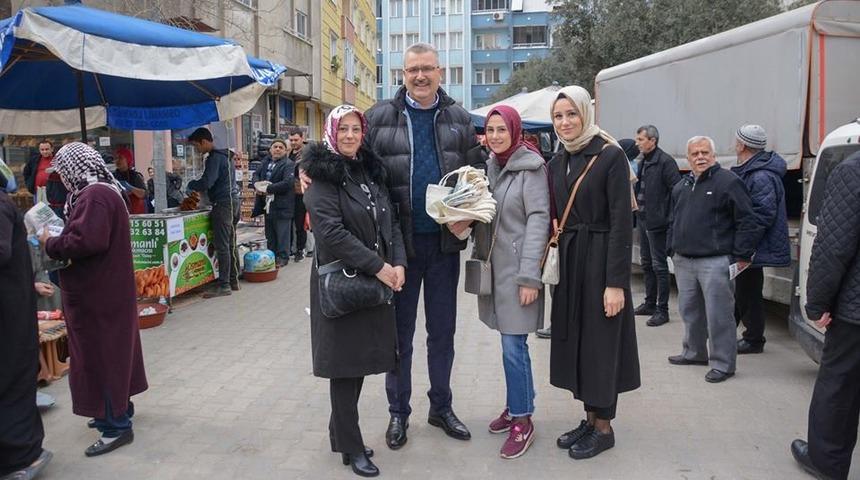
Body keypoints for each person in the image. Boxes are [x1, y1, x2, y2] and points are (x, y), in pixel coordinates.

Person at [363, 42, 486, 448]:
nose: (420, 76)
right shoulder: (378, 118)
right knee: (399, 336)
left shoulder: (458, 119)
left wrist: (467, 214)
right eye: (412, 69)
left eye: (427, 69)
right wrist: (309, 171)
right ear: (402, 74)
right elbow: (347, 161)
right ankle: (399, 413)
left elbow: (476, 175)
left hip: (444, 246)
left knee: (443, 332)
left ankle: (441, 407)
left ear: (440, 72)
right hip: (397, 249)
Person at [303, 105, 406, 478]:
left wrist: (399, 263)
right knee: (345, 369)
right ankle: (350, 444)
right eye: (342, 128)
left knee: (358, 363)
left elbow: (389, 222)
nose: (349, 135)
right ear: (332, 131)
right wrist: (379, 267)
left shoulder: (367, 170)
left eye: (355, 129)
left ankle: (338, 433)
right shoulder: (321, 177)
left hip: (368, 282)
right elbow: (331, 233)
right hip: (342, 285)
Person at [548, 86, 640, 460]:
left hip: (601, 261)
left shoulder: (610, 156)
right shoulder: (557, 160)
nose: (565, 122)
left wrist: (616, 283)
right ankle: (589, 418)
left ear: (585, 114)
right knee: (580, 344)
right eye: (558, 116)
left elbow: (622, 224)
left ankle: (604, 428)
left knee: (601, 345)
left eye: (571, 114)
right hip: (572, 262)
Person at [40, 142, 148, 457]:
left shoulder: (95, 196)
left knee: (102, 355)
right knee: (114, 351)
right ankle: (116, 409)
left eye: (61, 171)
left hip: (98, 294)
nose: (59, 178)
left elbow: (87, 241)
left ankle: (115, 426)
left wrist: (51, 242)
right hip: (107, 290)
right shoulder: (100, 191)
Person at [476, 106, 550, 459]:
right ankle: (516, 404)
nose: (494, 136)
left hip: (520, 272)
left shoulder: (532, 168)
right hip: (497, 269)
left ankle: (523, 421)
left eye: (501, 129)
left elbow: (538, 222)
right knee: (511, 346)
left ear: (515, 131)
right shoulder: (492, 166)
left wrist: (529, 277)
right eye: (490, 129)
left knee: (513, 347)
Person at [791, 150, 860, 480]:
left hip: (855, 314)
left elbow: (834, 247)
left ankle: (827, 462)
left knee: (839, 387)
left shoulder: (853, 170)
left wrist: (816, 303)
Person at [666, 136, 758, 383]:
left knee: (719, 315)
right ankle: (694, 352)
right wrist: (671, 248)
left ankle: (723, 363)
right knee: (690, 312)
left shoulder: (728, 182)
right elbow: (673, 219)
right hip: (684, 260)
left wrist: (742, 255)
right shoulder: (682, 186)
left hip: (715, 261)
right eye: (694, 154)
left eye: (705, 152)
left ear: (714, 156)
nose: (700, 157)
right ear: (688, 159)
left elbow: (748, 220)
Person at [1, 188, 53, 479]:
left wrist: (53, 243)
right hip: (13, 307)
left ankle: (22, 457)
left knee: (11, 381)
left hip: (10, 316)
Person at [730, 125, 790, 354]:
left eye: (736, 140)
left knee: (747, 292)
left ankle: (753, 339)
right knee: (744, 291)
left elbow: (761, 215)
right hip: (750, 244)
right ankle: (740, 334)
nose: (734, 143)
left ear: (743, 145)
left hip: (752, 246)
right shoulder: (753, 171)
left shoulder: (761, 175)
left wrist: (744, 249)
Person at [633, 125, 681, 327]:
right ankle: (649, 303)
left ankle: (663, 310)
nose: (637, 143)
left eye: (641, 139)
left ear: (653, 141)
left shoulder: (665, 162)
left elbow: (676, 192)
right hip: (644, 220)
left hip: (658, 222)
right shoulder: (643, 160)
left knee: (659, 266)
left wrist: (668, 219)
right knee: (646, 263)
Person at [187, 128, 240, 297]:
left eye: (197, 146)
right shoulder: (226, 156)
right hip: (233, 202)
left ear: (204, 141)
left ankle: (224, 285)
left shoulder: (215, 158)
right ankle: (233, 280)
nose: (197, 150)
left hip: (223, 205)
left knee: (223, 245)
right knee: (230, 242)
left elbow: (207, 182)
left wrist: (191, 185)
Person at [251, 138, 296, 267]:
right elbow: (256, 175)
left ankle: (283, 257)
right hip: (268, 205)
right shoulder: (265, 162)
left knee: (282, 233)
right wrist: (257, 185)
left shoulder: (288, 164)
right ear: (270, 150)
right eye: (275, 147)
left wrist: (267, 189)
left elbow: (287, 183)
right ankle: (271, 256)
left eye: (280, 147)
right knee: (270, 233)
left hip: (282, 205)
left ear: (285, 151)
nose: (277, 149)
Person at [23, 140, 67, 219]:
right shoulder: (34, 160)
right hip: (39, 191)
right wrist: (29, 184)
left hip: (53, 192)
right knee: (40, 214)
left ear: (52, 149)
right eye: (42, 150)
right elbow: (26, 172)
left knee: (53, 214)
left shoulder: (58, 159)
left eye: (47, 149)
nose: (44, 152)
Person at [288, 129, 309, 262]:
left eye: (296, 140)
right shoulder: (288, 153)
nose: (293, 142)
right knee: (290, 222)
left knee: (300, 223)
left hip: (301, 192)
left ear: (302, 138)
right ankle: (291, 248)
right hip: (288, 192)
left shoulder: (306, 154)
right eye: (291, 140)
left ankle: (300, 250)